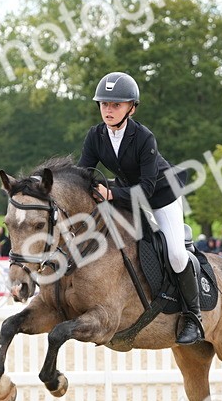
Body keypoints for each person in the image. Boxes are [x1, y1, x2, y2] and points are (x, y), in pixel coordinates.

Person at [78, 71, 202, 345]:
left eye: (116, 105)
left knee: (177, 255)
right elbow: (83, 174)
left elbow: (147, 189)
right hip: (123, 192)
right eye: (104, 104)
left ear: (131, 108)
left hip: (160, 195)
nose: (108, 110)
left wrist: (109, 192)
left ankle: (193, 316)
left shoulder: (144, 138)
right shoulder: (95, 135)